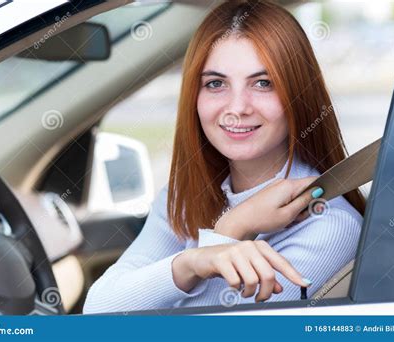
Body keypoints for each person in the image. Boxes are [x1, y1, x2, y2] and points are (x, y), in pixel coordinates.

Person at [83, 0, 365, 314]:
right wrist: (199, 257)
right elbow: (98, 310)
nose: (237, 107)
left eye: (263, 83)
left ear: (298, 94)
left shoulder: (330, 225)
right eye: (216, 84)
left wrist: (229, 230)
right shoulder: (183, 196)